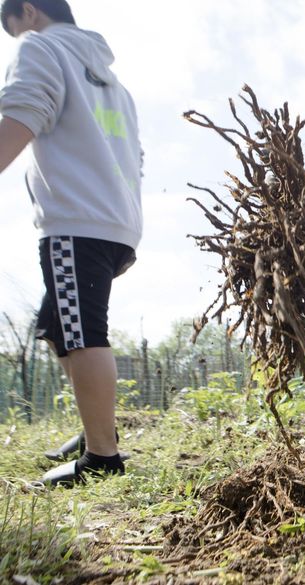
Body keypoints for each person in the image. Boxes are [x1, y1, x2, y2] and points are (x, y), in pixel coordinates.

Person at [0, 0, 142, 486]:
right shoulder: (112, 84)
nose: (14, 39)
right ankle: (93, 431)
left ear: (28, 12)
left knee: (82, 331)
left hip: (76, 219)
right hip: (115, 220)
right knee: (59, 325)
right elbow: (134, 156)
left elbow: (20, 117)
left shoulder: (39, 48)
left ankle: (102, 458)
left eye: (11, 28)